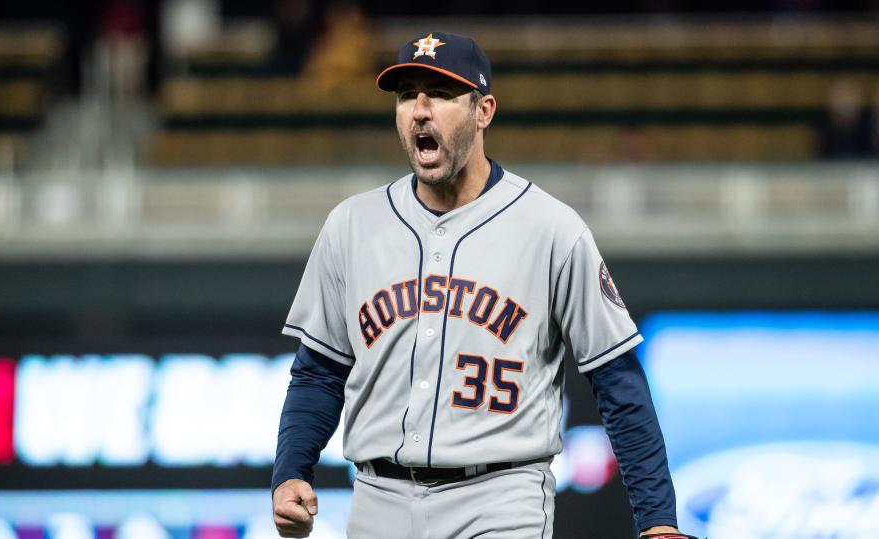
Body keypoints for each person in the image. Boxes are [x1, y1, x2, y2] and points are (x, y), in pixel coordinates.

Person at [271, 31, 694, 539]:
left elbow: (618, 380)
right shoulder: (351, 225)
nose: (420, 111)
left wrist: (659, 520)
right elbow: (319, 371)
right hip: (377, 498)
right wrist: (291, 470)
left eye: (442, 94)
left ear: (483, 111)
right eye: (407, 96)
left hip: (499, 499)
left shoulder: (549, 228)